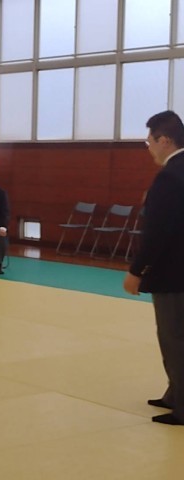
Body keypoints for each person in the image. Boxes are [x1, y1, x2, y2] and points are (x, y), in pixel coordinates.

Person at [123, 110, 184, 426]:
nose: (149, 149)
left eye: (149, 142)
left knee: (174, 338)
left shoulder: (170, 177)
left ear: (165, 140)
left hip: (173, 273)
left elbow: (158, 231)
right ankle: (174, 394)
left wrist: (137, 270)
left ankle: (182, 405)